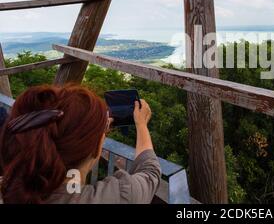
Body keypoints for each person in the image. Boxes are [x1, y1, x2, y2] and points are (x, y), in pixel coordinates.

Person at [0, 84, 161, 204]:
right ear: (97, 148)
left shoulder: (9, 188)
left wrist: (97, 126)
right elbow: (150, 171)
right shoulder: (120, 196)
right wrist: (141, 124)